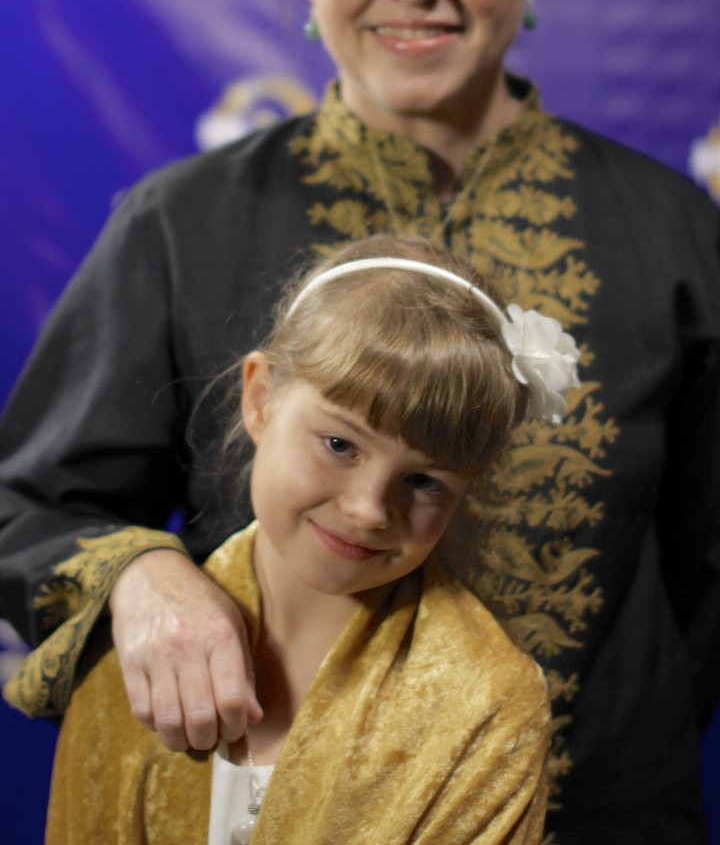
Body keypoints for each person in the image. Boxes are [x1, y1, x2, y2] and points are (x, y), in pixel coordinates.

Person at [0, 0, 720, 844]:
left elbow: (702, 570)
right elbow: (25, 507)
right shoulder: (182, 222)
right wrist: (145, 576)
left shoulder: (667, 229)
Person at [36, 234, 560, 844]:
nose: (369, 510)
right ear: (260, 398)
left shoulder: (487, 702)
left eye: (423, 480)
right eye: (340, 444)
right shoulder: (137, 647)